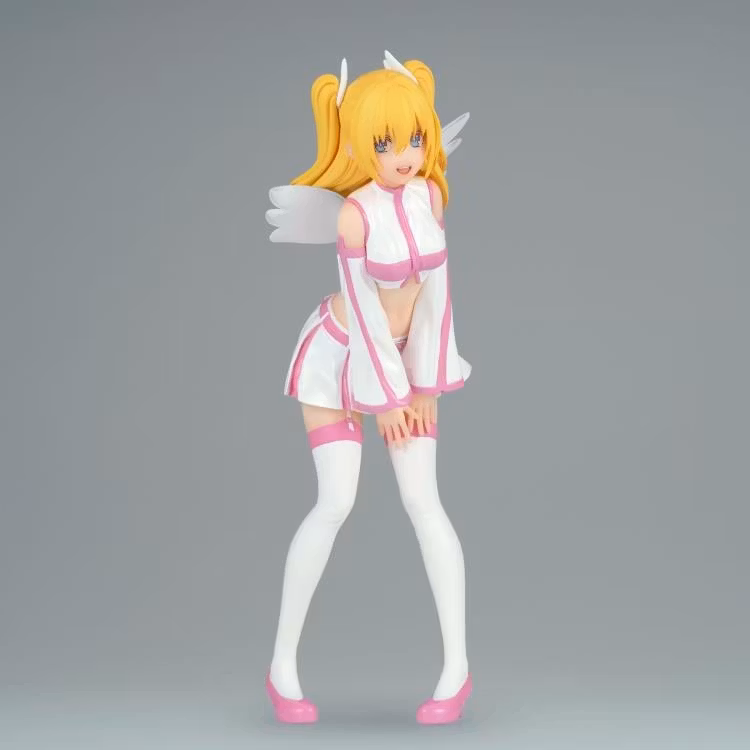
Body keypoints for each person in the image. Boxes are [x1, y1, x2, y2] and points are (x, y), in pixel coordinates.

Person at [264, 51, 472, 724]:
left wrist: (425, 384)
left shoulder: (430, 195)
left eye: (413, 138)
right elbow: (363, 309)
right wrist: (387, 398)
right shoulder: (353, 216)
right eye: (385, 144)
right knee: (335, 501)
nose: (405, 156)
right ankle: (281, 668)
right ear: (358, 145)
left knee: (423, 501)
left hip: (407, 365)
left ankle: (457, 669)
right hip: (337, 360)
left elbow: (438, 297)